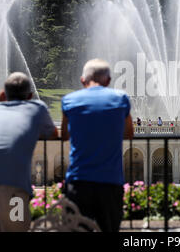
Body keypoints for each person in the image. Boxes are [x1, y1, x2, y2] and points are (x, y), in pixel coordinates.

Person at [0, 72, 58, 232]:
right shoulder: (38, 109)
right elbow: (53, 134)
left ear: (4, 94)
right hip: (14, 186)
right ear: (30, 95)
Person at [61, 59, 133, 232]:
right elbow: (129, 133)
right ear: (108, 81)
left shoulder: (69, 100)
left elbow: (64, 135)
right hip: (110, 182)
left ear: (82, 80)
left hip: (78, 181)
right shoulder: (121, 99)